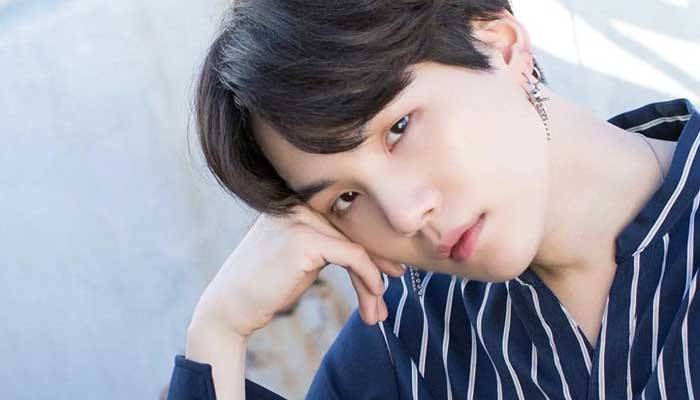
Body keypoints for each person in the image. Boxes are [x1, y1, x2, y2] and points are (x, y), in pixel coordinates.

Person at [166, 0, 700, 399]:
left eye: (398, 128)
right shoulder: (408, 343)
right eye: (345, 199)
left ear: (501, 45)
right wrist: (218, 331)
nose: (402, 215)